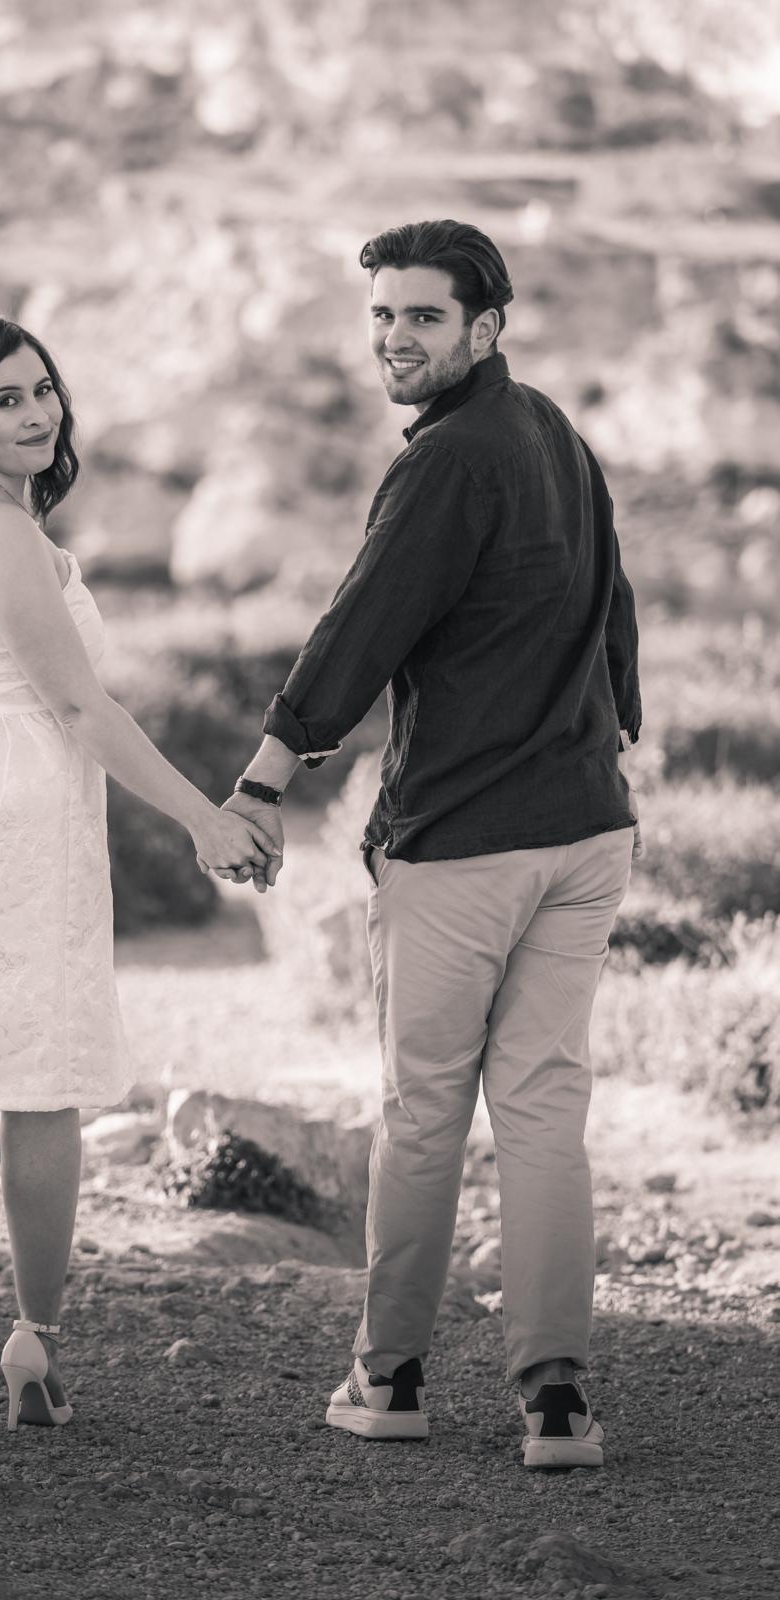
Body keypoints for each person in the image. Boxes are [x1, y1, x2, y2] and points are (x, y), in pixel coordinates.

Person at [221, 220, 643, 1469]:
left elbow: (360, 630)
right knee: (543, 1113)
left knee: (420, 1117)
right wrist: (615, 729)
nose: (394, 339)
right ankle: (557, 1402)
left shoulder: (448, 459)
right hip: (584, 834)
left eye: (420, 318)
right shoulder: (555, 434)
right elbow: (613, 603)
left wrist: (260, 778)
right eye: (381, 318)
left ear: (484, 329)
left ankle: (390, 1374)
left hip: (463, 846)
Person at [0, 316, 279, 1440]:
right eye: (6, 400)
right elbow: (78, 707)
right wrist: (201, 818)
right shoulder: (3, 531)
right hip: (6, 802)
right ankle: (33, 1343)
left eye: (43, 392)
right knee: (34, 1076)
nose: (37, 415)